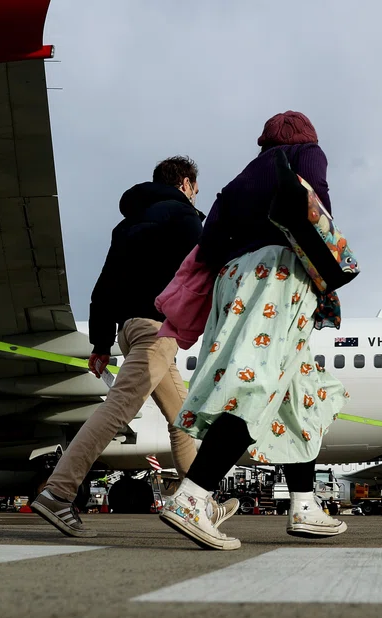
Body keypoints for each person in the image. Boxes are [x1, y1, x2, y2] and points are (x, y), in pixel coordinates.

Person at [158, 111, 349, 550]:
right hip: (278, 276)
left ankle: (303, 503)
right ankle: (193, 496)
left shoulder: (240, 180)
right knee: (256, 385)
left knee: (298, 392)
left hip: (235, 280)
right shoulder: (306, 154)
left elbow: (207, 244)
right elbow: (316, 208)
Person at [32, 156, 238, 537]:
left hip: (131, 328)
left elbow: (105, 285)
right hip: (156, 331)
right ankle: (58, 493)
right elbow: (210, 267)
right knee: (117, 410)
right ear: (186, 183)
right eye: (196, 187)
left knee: (183, 418)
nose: (197, 195)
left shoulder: (127, 224)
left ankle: (199, 503)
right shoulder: (185, 217)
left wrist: (101, 342)